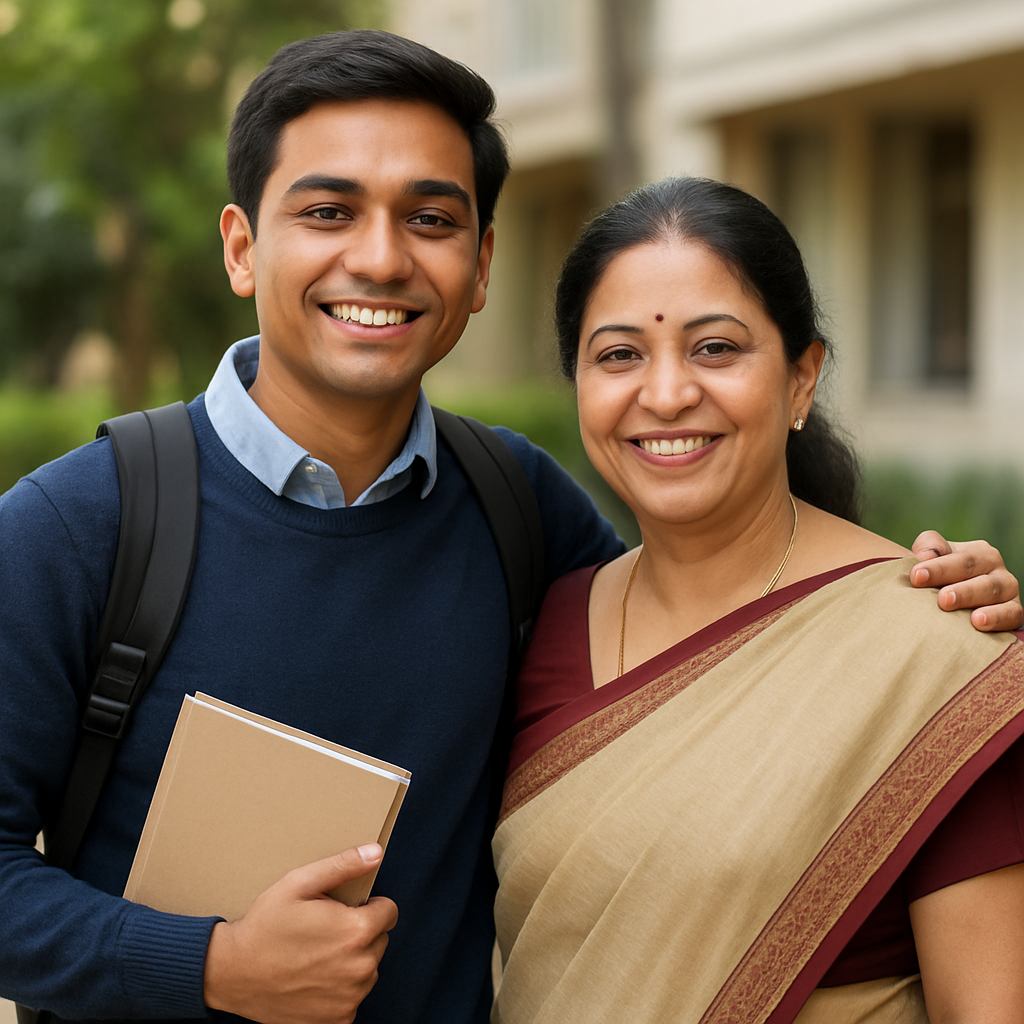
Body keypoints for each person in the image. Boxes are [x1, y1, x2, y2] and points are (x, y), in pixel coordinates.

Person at [0, 31, 1017, 1024]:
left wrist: (924, 609)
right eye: (328, 210)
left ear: (482, 267)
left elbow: (722, 681)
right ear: (240, 246)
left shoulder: (514, 509)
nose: (381, 256)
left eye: (430, 219)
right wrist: (209, 964)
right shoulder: (80, 526)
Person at [491, 177, 1024, 1024]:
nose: (665, 395)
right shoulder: (547, 623)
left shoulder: (935, 652)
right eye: (619, 354)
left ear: (802, 379)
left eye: (715, 349)